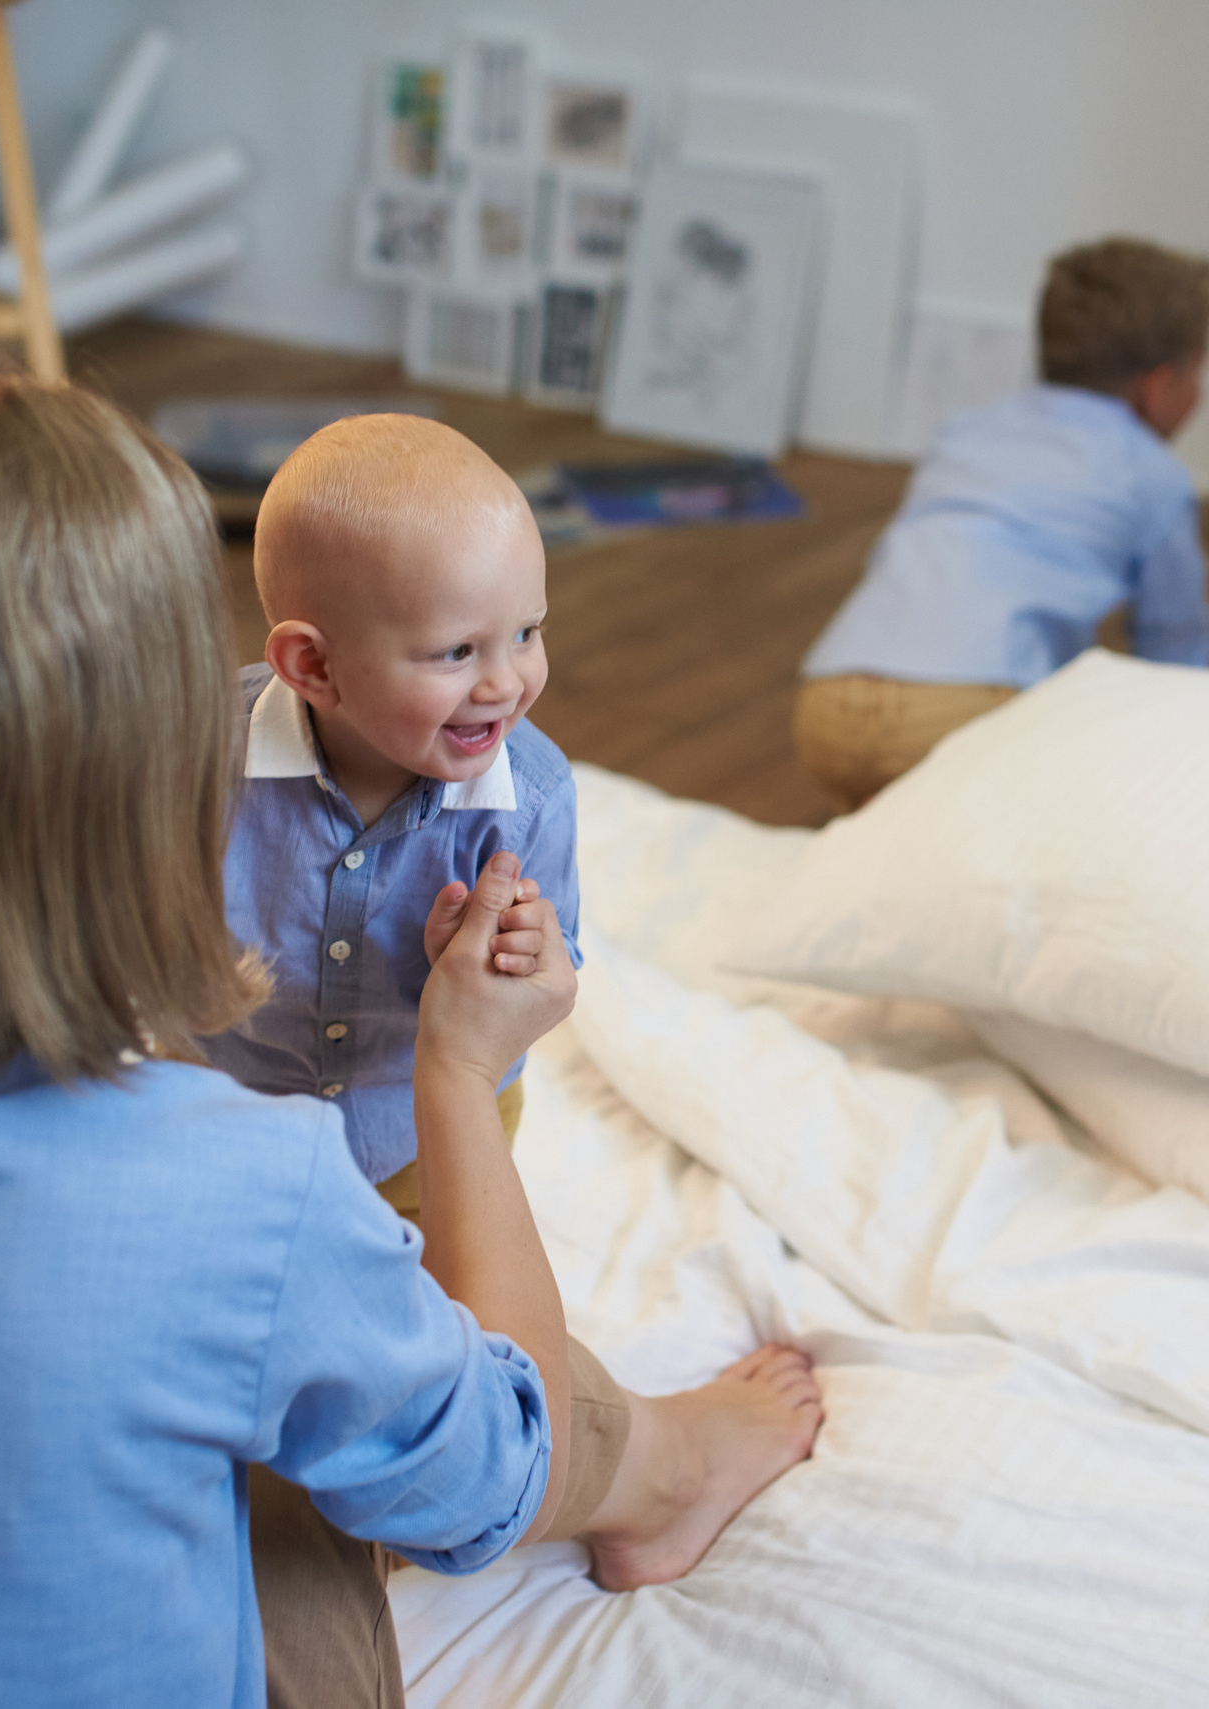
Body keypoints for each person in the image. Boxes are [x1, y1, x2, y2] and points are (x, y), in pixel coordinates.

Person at [0, 374, 802, 1709]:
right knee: (320, 1409)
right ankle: (665, 1468)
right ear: (149, 775)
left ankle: (656, 1466)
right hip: (307, 1315)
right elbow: (490, 1473)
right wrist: (454, 1067)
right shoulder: (239, 1197)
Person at [203, 413, 821, 1643]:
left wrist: (524, 956)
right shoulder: (194, 759)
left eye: (527, 632)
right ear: (310, 665)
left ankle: (565, 1470)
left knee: (433, 1340)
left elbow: (554, 962)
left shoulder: (525, 792)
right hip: (236, 1123)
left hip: (420, 1130)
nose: (507, 680)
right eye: (456, 650)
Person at [795, 236, 1209, 807]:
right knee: (1067, 800)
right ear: (1160, 386)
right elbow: (1174, 642)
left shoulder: (967, 429)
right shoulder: (1153, 475)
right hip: (967, 706)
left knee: (902, 811)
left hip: (828, 702)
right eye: (1199, 375)